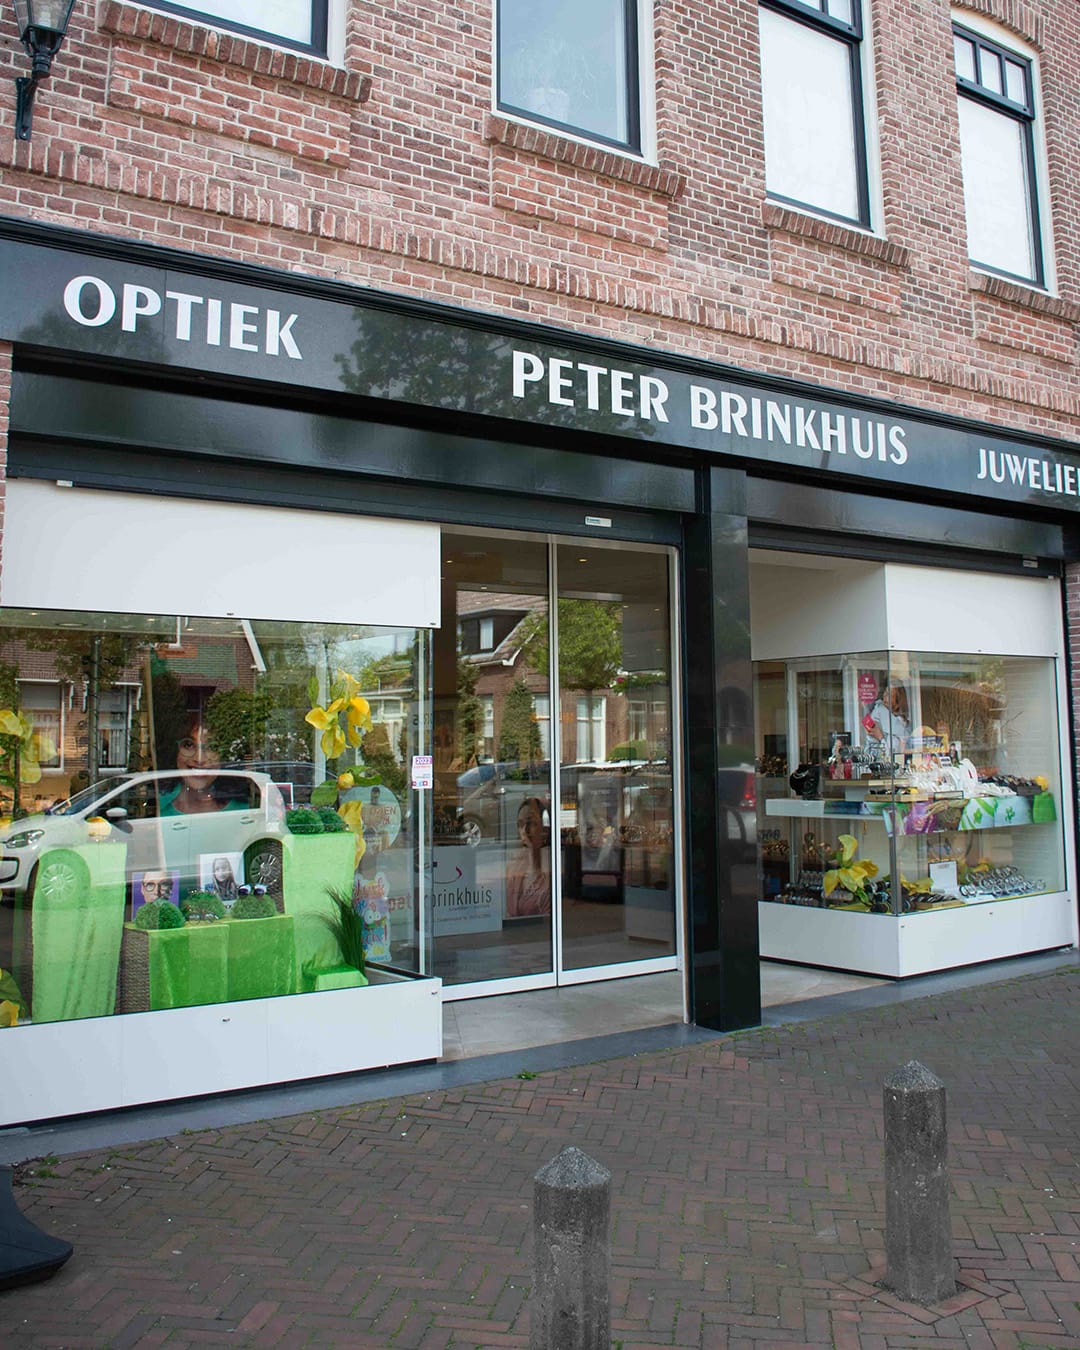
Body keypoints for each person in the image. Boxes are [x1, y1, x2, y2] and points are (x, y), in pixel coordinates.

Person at [161, 716, 225, 815]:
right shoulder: (159, 808)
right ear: (175, 751)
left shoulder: (245, 810)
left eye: (212, 747)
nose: (199, 759)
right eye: (188, 745)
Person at [505, 796, 551, 918]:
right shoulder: (513, 868)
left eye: (531, 823)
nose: (524, 830)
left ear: (545, 827)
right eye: (520, 824)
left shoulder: (552, 870)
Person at [863, 683, 911, 756]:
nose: (885, 696)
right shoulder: (878, 711)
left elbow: (892, 755)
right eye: (885, 692)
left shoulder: (901, 725)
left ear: (897, 700)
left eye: (889, 695)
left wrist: (880, 737)